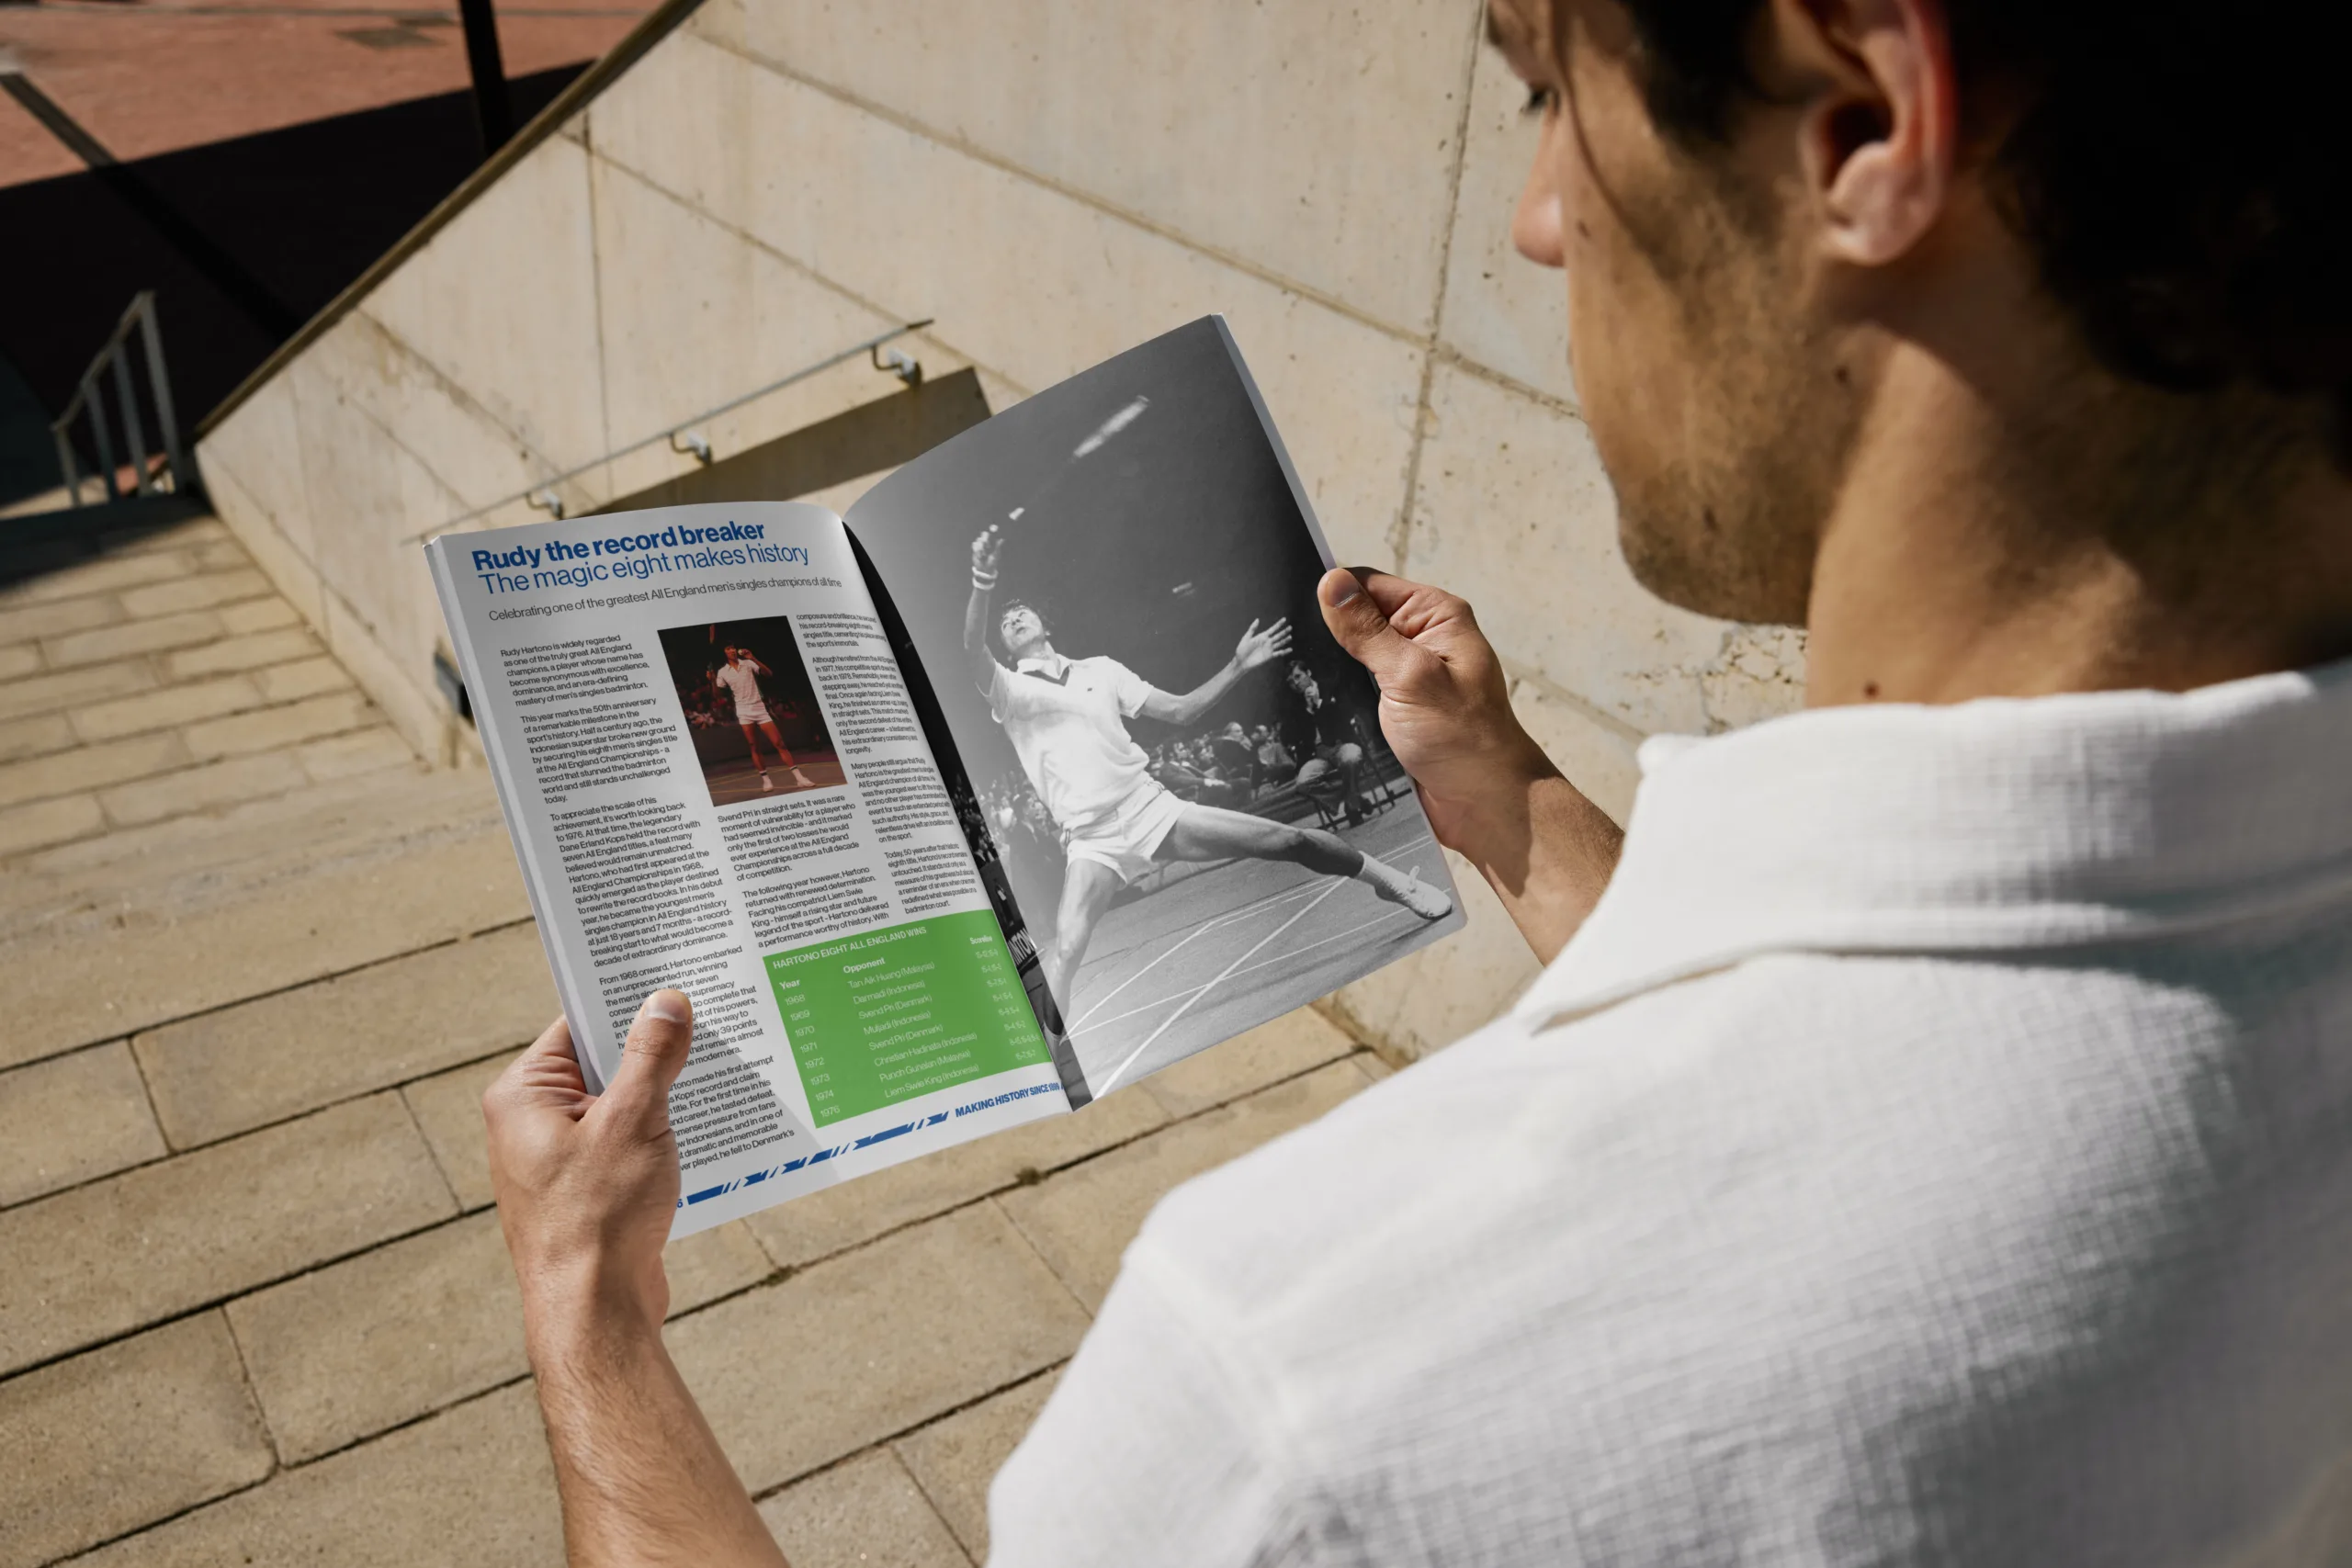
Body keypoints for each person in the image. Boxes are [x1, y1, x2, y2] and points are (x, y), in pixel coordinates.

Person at [481, 1, 2352, 1562]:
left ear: (1861, 116)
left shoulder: (1310, 1385)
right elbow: (1911, 1057)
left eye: (1548, 93)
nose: (1538, 218)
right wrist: (1504, 790)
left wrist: (592, 1316)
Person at [954, 524, 1453, 1006]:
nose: (1013, 618)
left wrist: (1237, 666)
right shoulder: (1008, 689)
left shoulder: (1101, 671)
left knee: (1289, 841)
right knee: (1064, 952)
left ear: (1046, 624)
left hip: (1149, 807)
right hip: (1091, 838)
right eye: (1005, 620)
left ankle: (1395, 885)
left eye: (1021, 612)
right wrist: (983, 582)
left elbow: (1181, 710)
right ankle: (1051, 1057)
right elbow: (971, 646)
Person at [710, 644, 811, 794]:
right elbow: (717, 695)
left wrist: (753, 658)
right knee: (754, 746)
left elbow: (769, 674)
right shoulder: (723, 672)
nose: (732, 651)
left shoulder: (748, 663)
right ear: (724, 653)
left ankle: (800, 778)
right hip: (743, 711)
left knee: (779, 743)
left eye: (733, 648)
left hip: (759, 708)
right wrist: (712, 679)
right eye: (727, 649)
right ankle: (766, 780)